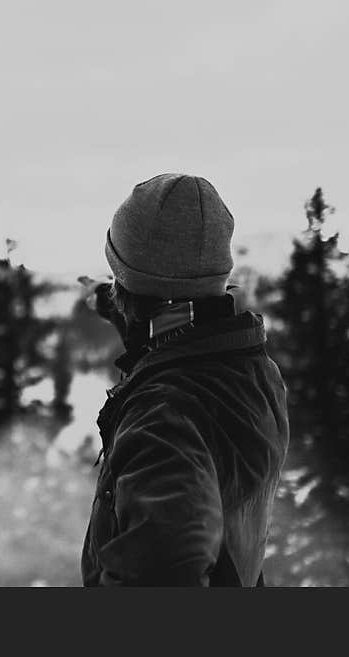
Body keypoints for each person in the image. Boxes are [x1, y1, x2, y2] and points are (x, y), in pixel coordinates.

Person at [80, 173, 289, 586]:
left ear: (134, 290)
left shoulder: (164, 418)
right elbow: (171, 334)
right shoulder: (249, 368)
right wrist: (115, 297)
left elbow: (164, 571)